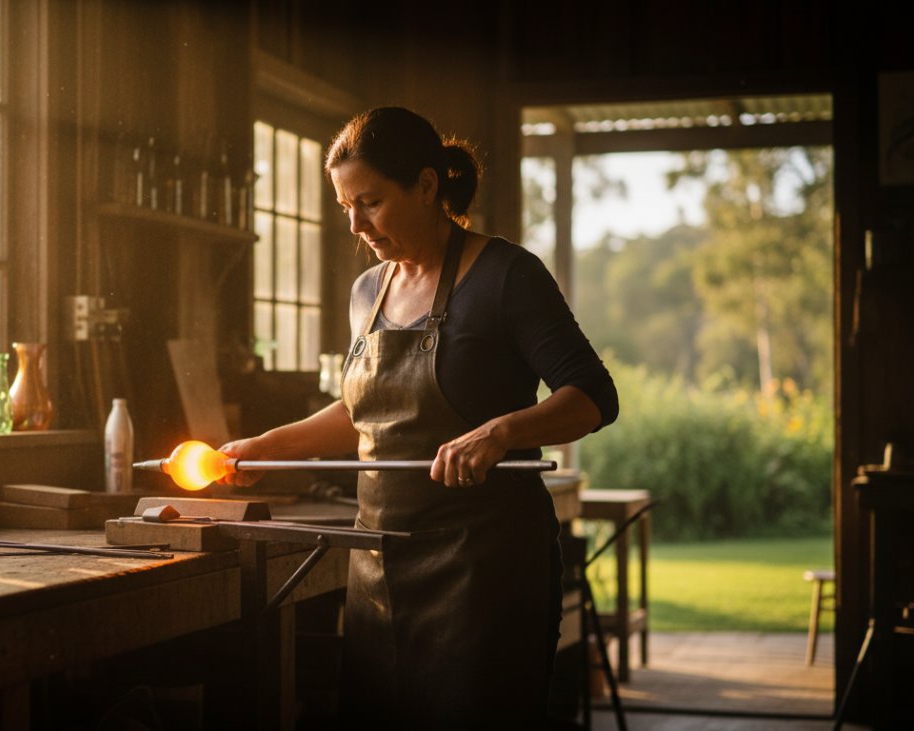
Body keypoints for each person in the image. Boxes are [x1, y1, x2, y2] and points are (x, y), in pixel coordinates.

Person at [219, 107, 618, 728]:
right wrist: (268, 445)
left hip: (483, 573)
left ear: (427, 186)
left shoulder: (506, 275)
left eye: (371, 202)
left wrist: (500, 431)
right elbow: (364, 411)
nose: (356, 224)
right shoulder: (366, 292)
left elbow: (593, 394)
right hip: (378, 567)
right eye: (346, 206)